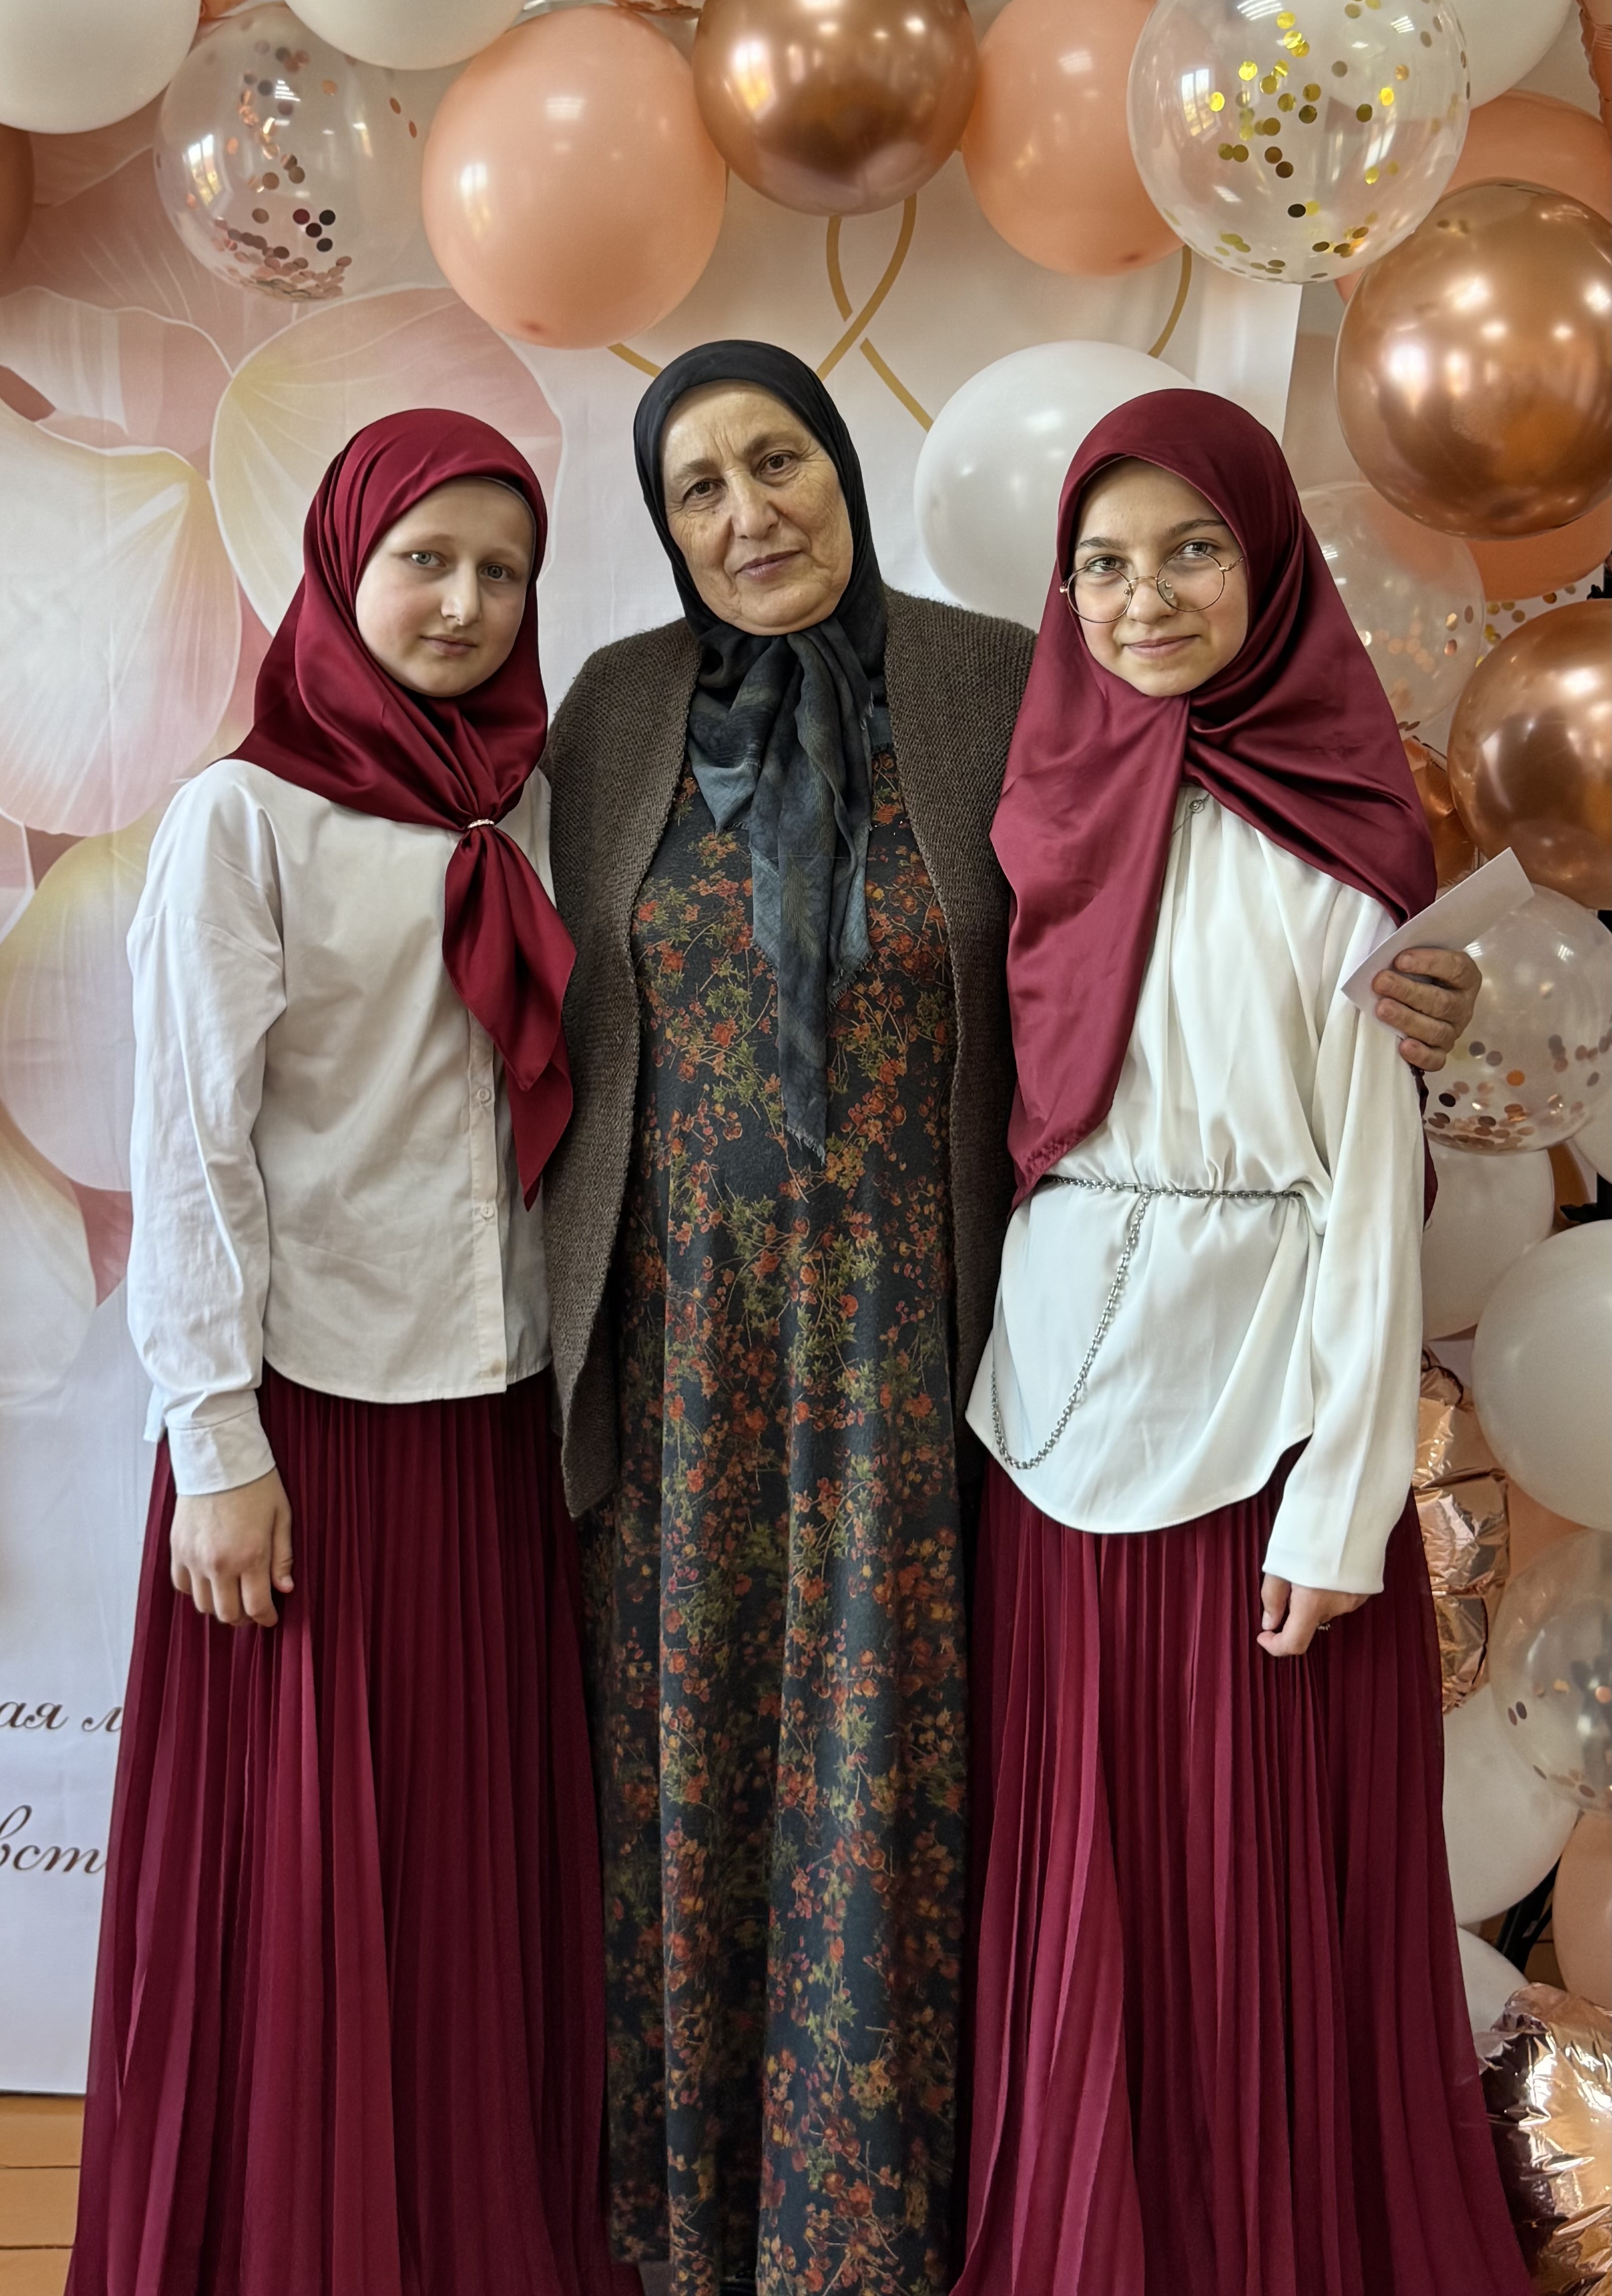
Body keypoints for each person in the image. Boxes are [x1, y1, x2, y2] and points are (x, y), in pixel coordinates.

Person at [536, 342, 1481, 2296]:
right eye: (700, 486)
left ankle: (883, 2240)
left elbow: (1210, 849)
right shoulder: (613, 710)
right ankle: (691, 2237)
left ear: (843, 464)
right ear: (662, 523)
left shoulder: (998, 683)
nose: (750, 513)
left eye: (781, 459)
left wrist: (1417, 992)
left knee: (908, 1801)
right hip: (693, 1364)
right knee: (688, 1792)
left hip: (932, 1354)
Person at [956, 389, 1530, 2296]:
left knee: (1234, 1877)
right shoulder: (1044, 808)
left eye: (1193, 550)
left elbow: (1366, 1209)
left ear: (1270, 562)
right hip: (1052, 1417)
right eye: (1103, 566)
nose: (1146, 599)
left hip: (1259, 1433)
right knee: (1083, 1865)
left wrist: (1341, 1511)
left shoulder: (1348, 853)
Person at [69, 413, 629, 2296]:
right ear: (339, 568)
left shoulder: (527, 809)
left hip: (494, 1414)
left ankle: (473, 2233)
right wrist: (215, 1444)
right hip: (310, 1419)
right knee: (312, 1870)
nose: (465, 604)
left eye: (502, 571)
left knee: (464, 1864)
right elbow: (187, 1148)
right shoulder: (243, 820)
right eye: (425, 562)